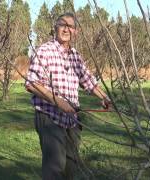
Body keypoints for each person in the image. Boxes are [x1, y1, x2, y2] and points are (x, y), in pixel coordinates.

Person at [25, 12, 111, 180]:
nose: (66, 29)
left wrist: (104, 97)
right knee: (54, 168)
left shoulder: (75, 56)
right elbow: (31, 83)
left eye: (70, 26)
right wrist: (59, 102)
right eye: (62, 25)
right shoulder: (45, 51)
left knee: (71, 168)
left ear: (75, 32)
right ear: (55, 28)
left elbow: (88, 81)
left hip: (71, 120)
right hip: (50, 117)